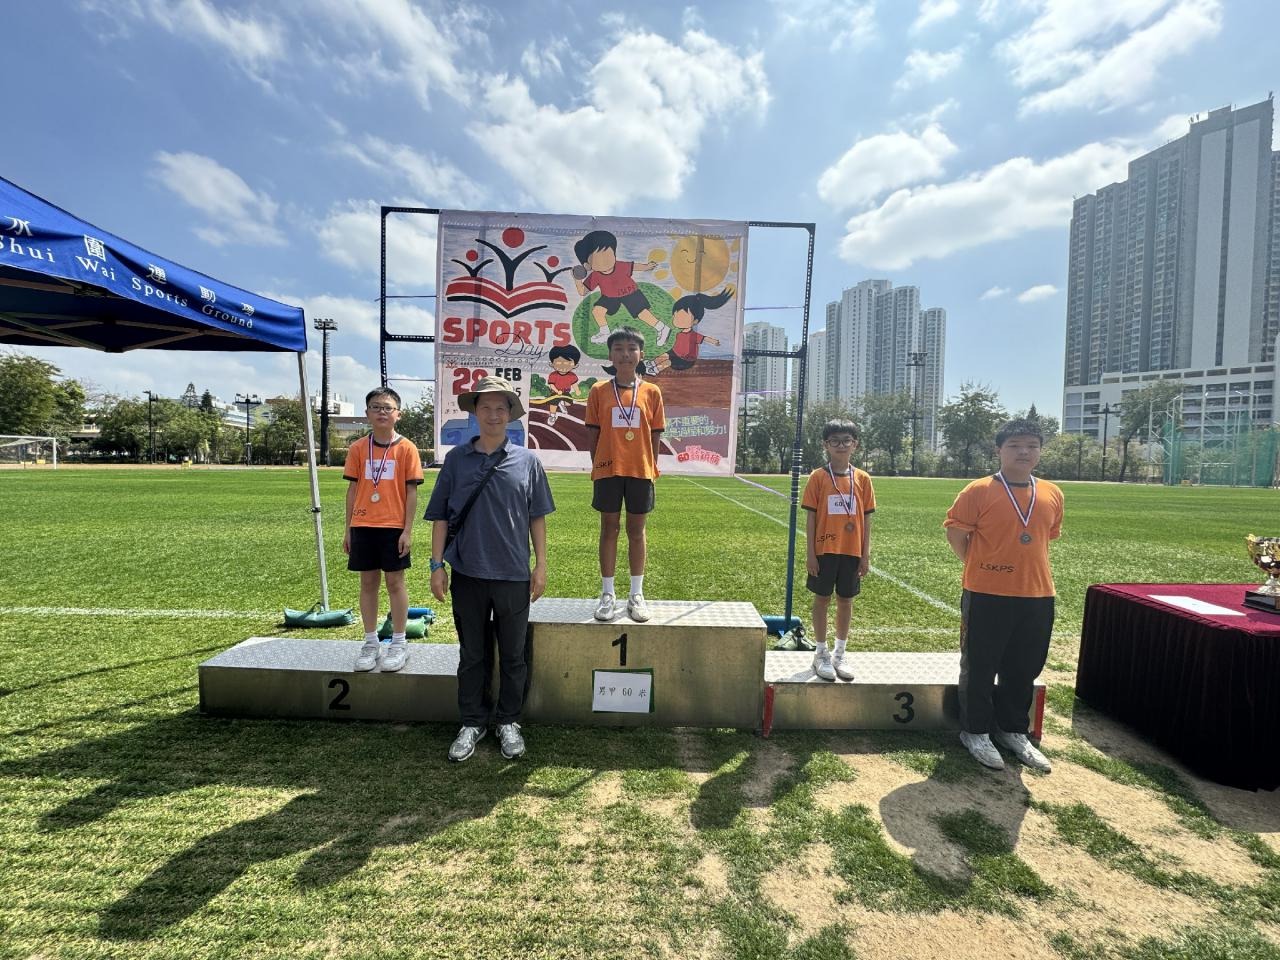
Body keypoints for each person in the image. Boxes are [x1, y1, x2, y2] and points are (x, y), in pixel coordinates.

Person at [425, 376, 554, 762]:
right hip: (467, 573)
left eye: (501, 408)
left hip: (514, 574)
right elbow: (440, 518)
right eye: (486, 407)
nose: (493, 414)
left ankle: (508, 720)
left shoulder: (528, 461)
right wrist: (436, 565)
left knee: (513, 655)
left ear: (510, 414)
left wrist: (541, 564)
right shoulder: (456, 460)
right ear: (475, 412)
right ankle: (472, 721)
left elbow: (537, 517)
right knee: (472, 653)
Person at [944, 419, 1063, 773]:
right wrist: (980, 564)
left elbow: (1044, 537)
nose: (1023, 452)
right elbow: (956, 534)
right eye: (1014, 445)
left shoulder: (1052, 493)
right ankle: (975, 731)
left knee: (1024, 667)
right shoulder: (978, 490)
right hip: (987, 592)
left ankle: (1012, 729)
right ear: (999, 450)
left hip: (1038, 593)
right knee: (980, 666)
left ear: (1040, 451)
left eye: (1031, 446)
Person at [585, 326, 665, 622]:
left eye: (632, 348)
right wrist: (599, 464)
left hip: (640, 470)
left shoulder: (652, 392)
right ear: (610, 355)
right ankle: (608, 594)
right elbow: (593, 434)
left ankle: (636, 594)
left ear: (641, 354)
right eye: (618, 348)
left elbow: (655, 435)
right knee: (609, 529)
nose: (625, 354)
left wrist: (651, 465)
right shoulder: (598, 391)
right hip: (608, 470)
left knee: (636, 531)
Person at [343, 387, 424, 673]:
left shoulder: (407, 448)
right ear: (367, 413)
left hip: (393, 527)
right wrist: (348, 529)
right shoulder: (357, 448)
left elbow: (411, 492)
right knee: (367, 583)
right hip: (363, 524)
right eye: (376, 407)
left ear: (398, 414)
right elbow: (353, 490)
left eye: (388, 408)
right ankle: (370, 642)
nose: (381, 412)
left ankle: (399, 643)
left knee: (395, 583)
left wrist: (407, 530)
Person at [802, 420, 876, 681]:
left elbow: (867, 519)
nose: (841, 445)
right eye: (835, 440)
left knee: (846, 600)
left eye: (846, 440)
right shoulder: (818, 477)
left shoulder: (863, 479)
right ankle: (820, 653)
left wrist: (865, 554)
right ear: (826, 445)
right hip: (824, 549)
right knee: (822, 598)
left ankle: (839, 653)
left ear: (855, 444)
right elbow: (811, 517)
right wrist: (811, 553)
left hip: (851, 551)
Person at [572, 230, 670, 346]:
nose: (605, 261)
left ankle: (662, 328)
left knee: (642, 313)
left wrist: (646, 267)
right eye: (599, 259)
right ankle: (605, 333)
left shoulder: (620, 266)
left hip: (630, 292)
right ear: (588, 265)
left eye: (608, 255)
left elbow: (634, 266)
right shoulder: (595, 276)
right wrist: (577, 279)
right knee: (597, 311)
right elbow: (583, 291)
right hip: (609, 297)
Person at [643, 288, 731, 375]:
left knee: (668, 362)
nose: (677, 320)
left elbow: (704, 338)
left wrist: (714, 341)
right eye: (675, 316)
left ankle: (655, 370)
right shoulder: (679, 332)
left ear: (695, 321)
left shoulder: (693, 335)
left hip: (685, 360)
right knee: (665, 355)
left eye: (683, 318)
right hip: (674, 353)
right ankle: (651, 363)